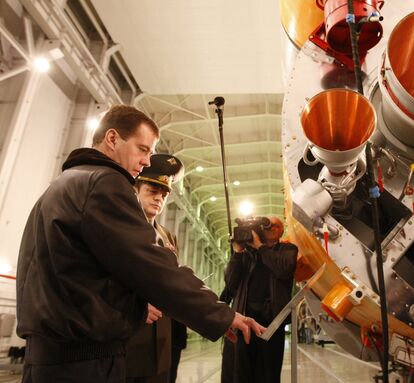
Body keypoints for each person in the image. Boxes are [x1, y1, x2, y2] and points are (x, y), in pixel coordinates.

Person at [16, 105, 264, 383]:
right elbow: (153, 267)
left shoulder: (63, 184)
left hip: (48, 356)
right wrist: (222, 315)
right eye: (143, 149)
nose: (147, 161)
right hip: (84, 361)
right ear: (112, 139)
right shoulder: (105, 183)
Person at [126, 154, 186, 383]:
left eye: (163, 194)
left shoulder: (167, 235)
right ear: (136, 191)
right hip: (130, 335)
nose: (159, 199)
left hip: (161, 339)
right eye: (152, 191)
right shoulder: (121, 226)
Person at [220, 216, 298, 383]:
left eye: (275, 226)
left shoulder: (288, 249)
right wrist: (238, 253)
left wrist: (261, 247)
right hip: (244, 319)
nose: (271, 228)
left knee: (267, 373)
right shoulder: (247, 254)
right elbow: (231, 282)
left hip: (271, 322)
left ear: (281, 231)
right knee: (240, 372)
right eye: (267, 226)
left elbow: (283, 269)